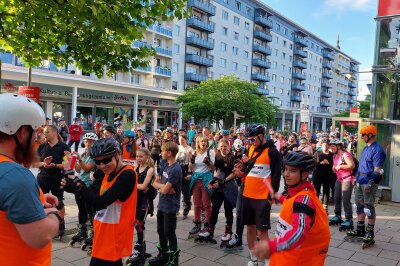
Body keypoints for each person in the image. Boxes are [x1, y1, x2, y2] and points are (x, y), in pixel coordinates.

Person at [0, 93, 63, 265]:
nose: (37, 138)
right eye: (34, 131)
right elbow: (39, 236)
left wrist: (37, 201)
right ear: (21, 132)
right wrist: (55, 215)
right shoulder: (14, 175)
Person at [62, 137, 138, 265]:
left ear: (118, 154)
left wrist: (78, 184)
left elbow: (100, 202)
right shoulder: (106, 172)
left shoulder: (127, 175)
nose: (102, 165)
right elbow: (90, 193)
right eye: (97, 162)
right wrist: (70, 186)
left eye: (106, 160)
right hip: (102, 233)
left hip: (113, 238)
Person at [252, 152, 330, 265]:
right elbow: (295, 202)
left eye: (292, 171)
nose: (286, 174)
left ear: (304, 175)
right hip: (289, 257)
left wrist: (272, 246)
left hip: (297, 260)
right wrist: (282, 198)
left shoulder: (303, 200)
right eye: (286, 169)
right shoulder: (302, 192)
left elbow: (299, 233)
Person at [236, 124, 282, 265]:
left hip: (262, 198)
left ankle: (268, 261)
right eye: (248, 140)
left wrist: (270, 198)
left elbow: (276, 176)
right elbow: (251, 169)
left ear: (261, 136)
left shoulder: (272, 152)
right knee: (249, 228)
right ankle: (253, 258)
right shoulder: (251, 149)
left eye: (252, 139)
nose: (250, 142)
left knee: (262, 232)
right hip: (247, 195)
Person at [346, 125, 386, 248]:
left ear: (370, 135)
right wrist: (355, 178)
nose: (362, 136)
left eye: (363, 134)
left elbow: (377, 170)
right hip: (360, 180)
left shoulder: (378, 150)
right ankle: (360, 229)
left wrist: (370, 183)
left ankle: (370, 233)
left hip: (369, 181)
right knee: (359, 206)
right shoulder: (365, 148)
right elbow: (361, 165)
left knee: (368, 207)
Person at [198, 139, 238, 247]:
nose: (223, 148)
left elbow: (234, 173)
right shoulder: (218, 156)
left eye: (225, 146)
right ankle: (210, 229)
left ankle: (228, 231)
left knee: (228, 210)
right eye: (221, 146)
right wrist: (209, 165)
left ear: (228, 147)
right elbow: (217, 169)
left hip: (229, 186)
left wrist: (223, 181)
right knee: (215, 207)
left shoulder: (231, 157)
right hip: (219, 186)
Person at [148, 142, 182, 265]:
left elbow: (165, 189)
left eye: (162, 151)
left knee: (169, 232)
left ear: (169, 153)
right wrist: (162, 187)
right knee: (160, 231)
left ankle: (173, 260)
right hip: (162, 204)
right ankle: (163, 255)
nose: (160, 153)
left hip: (171, 206)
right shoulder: (165, 165)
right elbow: (155, 183)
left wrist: (163, 188)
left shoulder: (176, 169)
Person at [35, 125, 71, 230]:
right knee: (40, 201)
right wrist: (43, 163)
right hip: (42, 177)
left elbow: (68, 165)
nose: (44, 134)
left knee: (58, 202)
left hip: (58, 178)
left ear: (55, 133)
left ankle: (61, 224)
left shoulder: (64, 147)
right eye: (44, 132)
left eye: (47, 132)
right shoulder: (41, 147)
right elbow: (34, 163)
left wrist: (55, 165)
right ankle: (43, 224)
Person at [126, 148, 155, 266]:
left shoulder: (150, 169)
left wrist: (132, 185)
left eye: (141, 156)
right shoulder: (135, 168)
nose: (138, 158)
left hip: (144, 202)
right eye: (137, 156)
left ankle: (139, 249)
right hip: (135, 201)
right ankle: (141, 249)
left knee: (139, 224)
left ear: (147, 157)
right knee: (136, 224)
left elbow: (143, 186)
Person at [69, 132, 98, 247]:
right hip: (80, 184)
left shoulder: (94, 155)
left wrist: (79, 160)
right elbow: (78, 170)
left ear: (94, 143)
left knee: (90, 211)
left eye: (90, 142)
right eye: (86, 141)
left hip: (89, 186)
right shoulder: (85, 154)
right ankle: (82, 231)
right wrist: (74, 159)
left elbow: (86, 169)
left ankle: (94, 233)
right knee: (81, 209)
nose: (87, 143)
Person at [188, 136, 215, 239]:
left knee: (207, 204)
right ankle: (197, 223)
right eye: (201, 141)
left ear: (207, 143)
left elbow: (213, 167)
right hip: (196, 179)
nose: (203, 143)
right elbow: (191, 168)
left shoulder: (210, 152)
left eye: (204, 141)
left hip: (206, 179)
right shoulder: (195, 152)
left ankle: (207, 225)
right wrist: (192, 160)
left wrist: (208, 162)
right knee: (197, 204)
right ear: (198, 143)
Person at [329, 139, 355, 231]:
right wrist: (334, 168)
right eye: (330, 146)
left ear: (338, 146)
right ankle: (337, 215)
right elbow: (335, 166)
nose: (331, 147)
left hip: (347, 179)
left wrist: (340, 166)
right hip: (339, 179)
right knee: (336, 198)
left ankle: (349, 219)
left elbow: (352, 165)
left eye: (333, 146)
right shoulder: (335, 155)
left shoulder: (345, 155)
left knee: (346, 200)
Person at [312, 137, 333, 213]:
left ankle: (325, 208)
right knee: (316, 191)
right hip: (317, 175)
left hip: (327, 175)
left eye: (327, 145)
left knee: (326, 191)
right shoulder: (318, 153)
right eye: (324, 145)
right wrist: (319, 163)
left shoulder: (331, 155)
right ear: (321, 145)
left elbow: (334, 165)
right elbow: (312, 163)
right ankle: (316, 207)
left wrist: (328, 163)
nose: (326, 146)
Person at [176, 134, 194, 218]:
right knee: (176, 191)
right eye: (180, 139)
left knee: (186, 193)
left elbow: (193, 163)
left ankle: (186, 209)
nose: (181, 141)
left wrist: (190, 173)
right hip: (176, 170)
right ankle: (176, 209)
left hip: (186, 170)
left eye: (183, 139)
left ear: (186, 140)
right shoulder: (176, 148)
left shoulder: (190, 149)